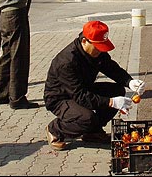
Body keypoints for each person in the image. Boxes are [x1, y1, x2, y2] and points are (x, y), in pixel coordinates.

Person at [44, 20, 146, 151]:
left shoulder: (95, 52)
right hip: (60, 98)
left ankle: (93, 132)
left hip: (83, 89)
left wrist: (129, 82)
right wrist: (111, 102)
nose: (100, 51)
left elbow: (111, 68)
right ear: (85, 41)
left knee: (117, 91)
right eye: (98, 47)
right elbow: (80, 96)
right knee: (87, 118)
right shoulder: (66, 62)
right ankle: (55, 130)